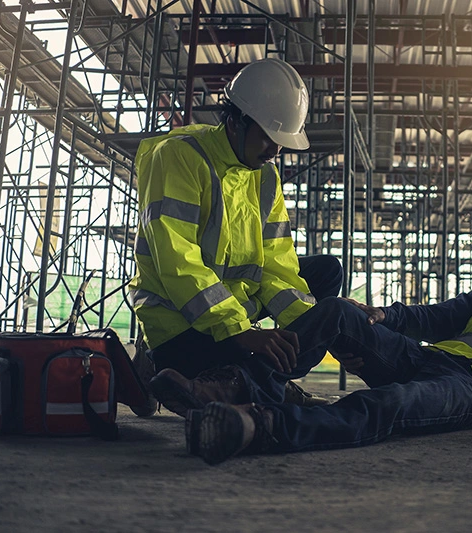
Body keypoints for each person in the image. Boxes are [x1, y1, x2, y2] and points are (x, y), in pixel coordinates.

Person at [152, 236, 472, 464]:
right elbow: (428, 319)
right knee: (336, 311)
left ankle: (258, 425)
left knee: (384, 405)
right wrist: (379, 317)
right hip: (425, 359)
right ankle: (235, 385)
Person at [128, 58, 342, 411]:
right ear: (235, 120)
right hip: (180, 324)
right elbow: (178, 262)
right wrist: (239, 332)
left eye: (281, 142)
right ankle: (183, 369)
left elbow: (277, 265)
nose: (275, 151)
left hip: (236, 313)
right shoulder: (178, 157)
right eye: (268, 138)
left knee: (327, 274)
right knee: (239, 359)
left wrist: (313, 326)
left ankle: (240, 384)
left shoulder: (266, 176)